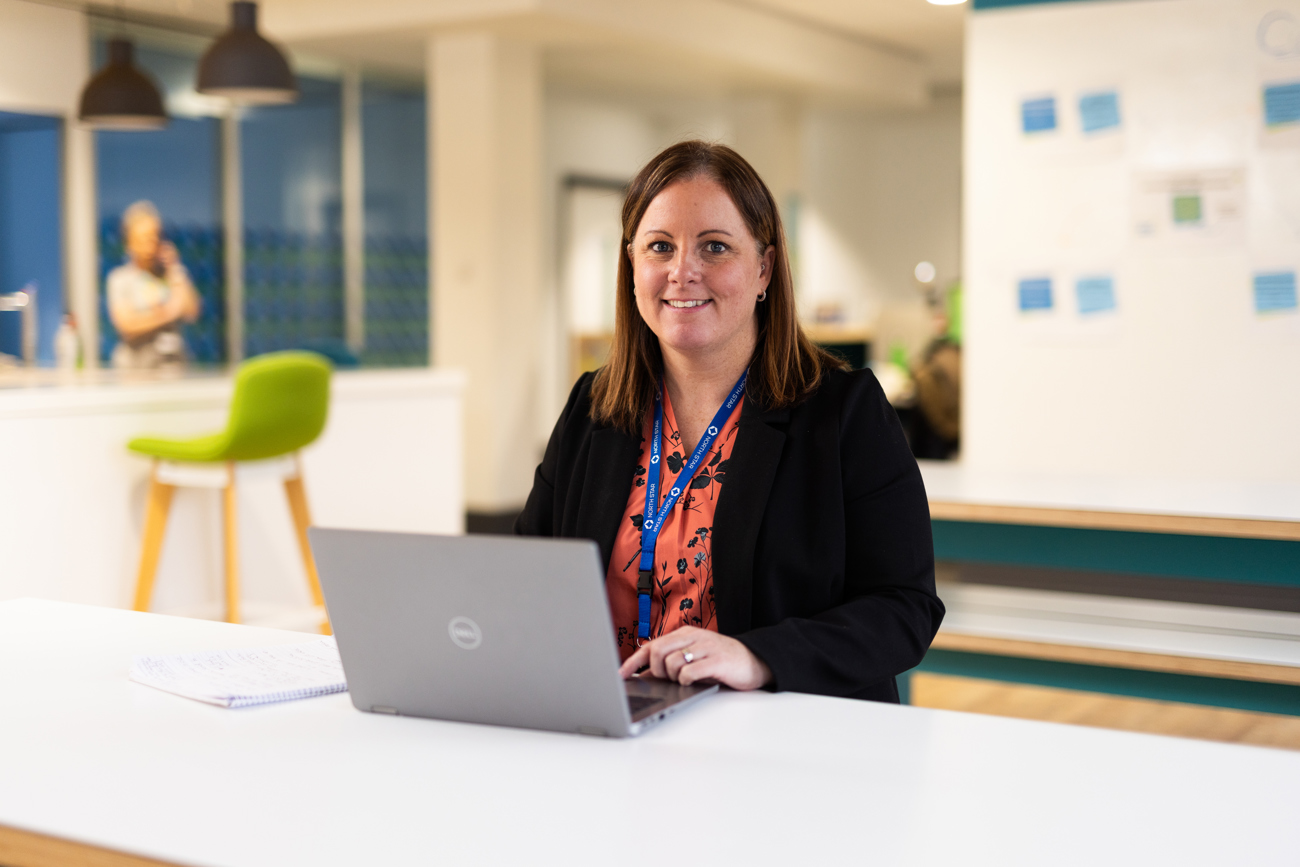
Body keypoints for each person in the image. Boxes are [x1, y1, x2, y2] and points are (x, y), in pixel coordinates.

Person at [516, 141, 943, 702]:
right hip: (616, 732)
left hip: (783, 746)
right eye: (659, 247)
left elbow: (904, 608)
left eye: (714, 247)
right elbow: (525, 580)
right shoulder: (593, 407)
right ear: (632, 264)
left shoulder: (845, 413)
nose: (682, 272)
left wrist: (758, 656)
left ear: (764, 268)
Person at [107, 201, 201, 369]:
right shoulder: (120, 279)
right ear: (129, 242)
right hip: (135, 370)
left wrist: (175, 268)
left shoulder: (170, 274)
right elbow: (127, 324)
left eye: (154, 237)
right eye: (143, 239)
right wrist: (169, 313)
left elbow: (191, 311)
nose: (151, 244)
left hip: (174, 366)